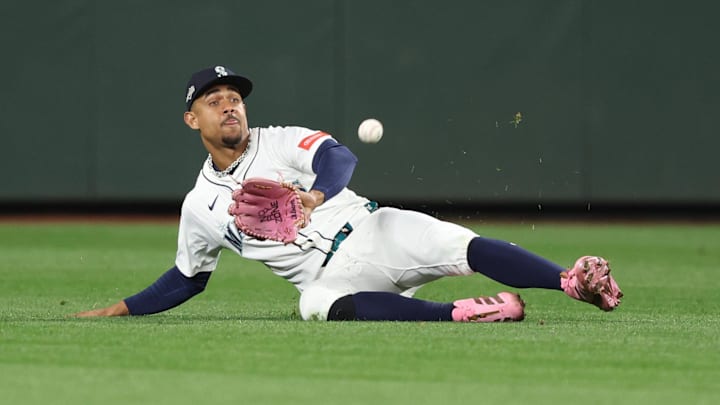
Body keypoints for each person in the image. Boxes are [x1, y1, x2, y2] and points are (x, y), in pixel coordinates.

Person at [74, 65, 622, 322]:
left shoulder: (280, 140)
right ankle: (463, 313)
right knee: (313, 305)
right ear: (192, 119)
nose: (230, 105)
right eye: (214, 99)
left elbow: (338, 157)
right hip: (332, 278)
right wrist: (121, 308)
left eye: (235, 96)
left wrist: (312, 197)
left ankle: (569, 281)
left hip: (371, 229)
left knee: (458, 243)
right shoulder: (201, 206)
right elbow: (188, 278)